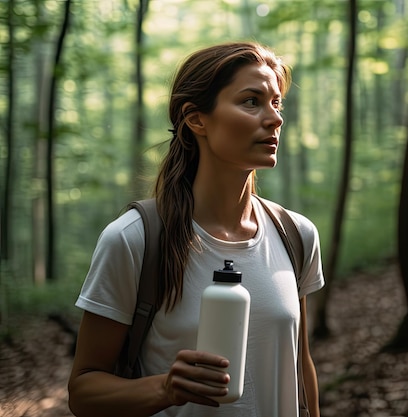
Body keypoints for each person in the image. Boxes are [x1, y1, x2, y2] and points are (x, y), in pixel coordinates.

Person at [67, 42, 325, 417]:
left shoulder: (296, 234)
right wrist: (165, 388)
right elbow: (83, 390)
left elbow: (301, 366)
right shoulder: (134, 239)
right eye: (251, 101)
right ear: (196, 118)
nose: (274, 118)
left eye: (276, 103)